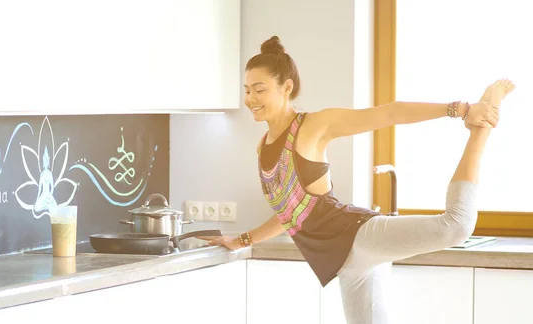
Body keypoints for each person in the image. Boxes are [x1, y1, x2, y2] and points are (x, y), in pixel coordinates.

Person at [198, 35, 516, 323]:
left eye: (260, 89)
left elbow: (389, 113)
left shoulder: (314, 126)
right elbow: (290, 216)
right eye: (247, 90)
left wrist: (460, 109)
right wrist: (240, 241)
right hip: (346, 263)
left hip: (356, 236)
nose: (251, 98)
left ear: (286, 87)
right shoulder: (264, 145)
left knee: (456, 226)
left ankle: (482, 126)